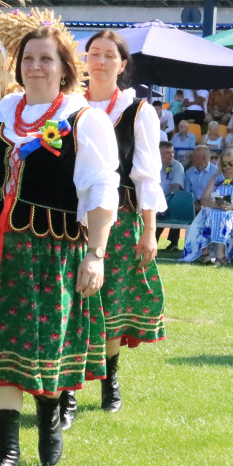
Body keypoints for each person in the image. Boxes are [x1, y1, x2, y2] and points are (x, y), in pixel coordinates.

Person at [0, 24, 116, 466]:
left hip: (52, 253)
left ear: (66, 68)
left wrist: (96, 254)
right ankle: (6, 451)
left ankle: (49, 423)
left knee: (44, 346)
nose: (35, 67)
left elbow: (101, 192)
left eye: (46, 59)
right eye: (28, 59)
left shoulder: (85, 121)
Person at [67, 29, 165, 427]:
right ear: (84, 61)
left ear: (122, 65)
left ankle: (109, 381)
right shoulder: (68, 107)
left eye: (110, 55)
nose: (101, 61)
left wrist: (149, 229)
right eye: (94, 53)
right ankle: (68, 390)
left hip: (119, 218)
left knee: (108, 304)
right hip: (68, 217)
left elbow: (147, 175)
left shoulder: (138, 111)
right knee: (71, 301)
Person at [179, 149, 233, 265]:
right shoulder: (216, 178)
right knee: (209, 213)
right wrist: (213, 204)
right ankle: (205, 252)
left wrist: (232, 207)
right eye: (224, 164)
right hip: (215, 209)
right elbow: (204, 198)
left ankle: (220, 254)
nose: (227, 166)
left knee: (224, 215)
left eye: (231, 163)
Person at [184, 145, 217, 212]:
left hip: (211, 206)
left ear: (204, 158)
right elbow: (187, 193)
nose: (192, 159)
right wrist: (194, 204)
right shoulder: (189, 172)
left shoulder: (216, 172)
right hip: (193, 206)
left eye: (195, 156)